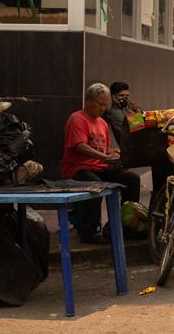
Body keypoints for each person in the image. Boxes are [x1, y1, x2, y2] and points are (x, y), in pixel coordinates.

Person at [60, 83, 141, 244]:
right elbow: (79, 145)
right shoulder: (77, 119)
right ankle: (89, 232)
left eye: (105, 105)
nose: (103, 108)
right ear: (89, 101)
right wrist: (104, 157)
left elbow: (104, 149)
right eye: (100, 104)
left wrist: (113, 153)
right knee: (97, 185)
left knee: (132, 179)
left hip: (100, 167)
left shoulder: (102, 123)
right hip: (78, 168)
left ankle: (125, 224)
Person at [103, 81, 141, 148]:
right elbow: (138, 126)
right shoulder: (114, 113)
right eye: (121, 95)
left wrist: (136, 109)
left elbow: (144, 121)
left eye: (127, 96)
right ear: (113, 97)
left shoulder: (127, 109)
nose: (125, 98)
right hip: (130, 148)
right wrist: (138, 114)